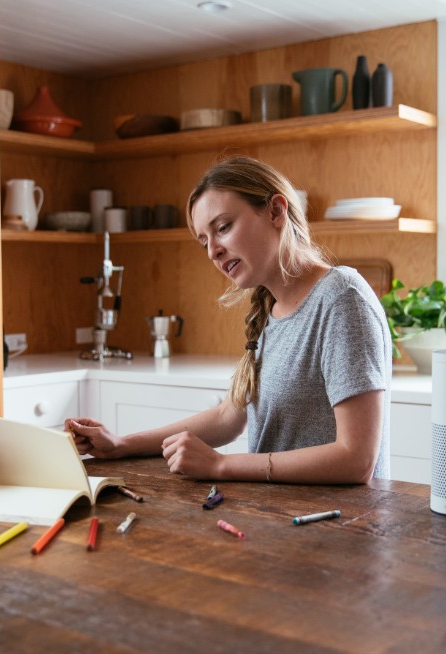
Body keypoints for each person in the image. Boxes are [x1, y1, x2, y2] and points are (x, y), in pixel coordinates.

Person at [67, 156, 392, 483]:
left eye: (223, 228)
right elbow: (228, 417)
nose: (213, 252)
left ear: (277, 211)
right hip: (279, 519)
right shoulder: (272, 308)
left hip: (335, 526)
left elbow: (356, 459)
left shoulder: (341, 298)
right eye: (204, 241)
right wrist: (121, 445)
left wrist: (221, 466)